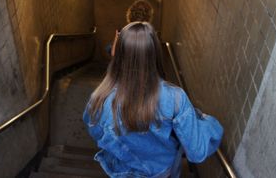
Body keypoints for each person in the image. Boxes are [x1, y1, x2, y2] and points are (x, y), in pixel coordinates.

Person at [83, 22, 223, 177]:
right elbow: (197, 152)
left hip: (122, 170)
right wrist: (208, 123)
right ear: (155, 53)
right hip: (161, 171)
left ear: (119, 55)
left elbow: (96, 134)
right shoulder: (175, 98)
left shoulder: (98, 99)